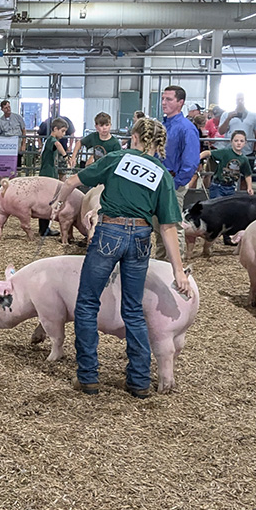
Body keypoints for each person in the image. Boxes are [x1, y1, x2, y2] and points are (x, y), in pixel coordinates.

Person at [51, 117, 193, 398]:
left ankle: (88, 376)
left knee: (88, 303)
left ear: (136, 138)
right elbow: (167, 227)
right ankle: (139, 381)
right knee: (132, 309)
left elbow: (73, 181)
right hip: (140, 238)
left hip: (108, 233)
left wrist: (57, 201)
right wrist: (178, 270)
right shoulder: (162, 175)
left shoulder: (117, 158)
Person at [154, 85, 200, 261]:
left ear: (180, 103)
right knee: (159, 226)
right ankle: (161, 263)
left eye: (169, 99)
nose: (163, 102)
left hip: (172, 182)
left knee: (172, 226)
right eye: (163, 99)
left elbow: (191, 161)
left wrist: (176, 183)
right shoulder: (163, 125)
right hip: (158, 181)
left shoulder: (186, 128)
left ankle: (175, 265)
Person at [37, 118, 70, 237]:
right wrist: (66, 156)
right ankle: (44, 229)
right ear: (55, 129)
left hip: (48, 173)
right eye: (63, 131)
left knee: (47, 203)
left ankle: (44, 228)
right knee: (47, 203)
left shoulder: (47, 140)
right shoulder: (52, 140)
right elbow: (57, 144)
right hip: (48, 175)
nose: (64, 134)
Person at [199, 129, 253, 198]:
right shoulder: (225, 152)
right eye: (236, 141)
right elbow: (208, 152)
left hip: (231, 187)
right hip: (218, 186)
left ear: (245, 143)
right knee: (217, 206)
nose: (239, 143)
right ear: (231, 142)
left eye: (241, 141)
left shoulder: (244, 159)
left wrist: (249, 187)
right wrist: (199, 157)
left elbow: (247, 174)